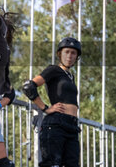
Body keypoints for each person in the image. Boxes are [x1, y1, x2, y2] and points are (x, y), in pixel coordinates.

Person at [22, 37, 81, 167]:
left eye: (73, 53)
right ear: (60, 54)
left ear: (77, 57)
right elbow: (28, 87)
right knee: (52, 164)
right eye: (67, 52)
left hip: (72, 126)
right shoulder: (54, 70)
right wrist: (45, 108)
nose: (70, 56)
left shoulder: (70, 76)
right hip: (56, 124)